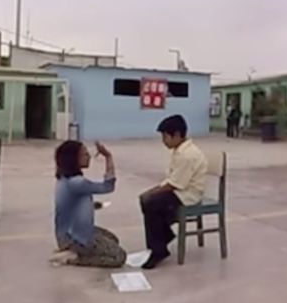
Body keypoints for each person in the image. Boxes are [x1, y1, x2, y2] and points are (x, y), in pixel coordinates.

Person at [138, 114, 208, 270]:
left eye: (165, 137)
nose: (163, 141)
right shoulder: (180, 150)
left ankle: (159, 249)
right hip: (180, 190)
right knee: (147, 200)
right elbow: (171, 179)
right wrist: (154, 190)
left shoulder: (187, 155)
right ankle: (162, 239)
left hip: (188, 194)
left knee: (151, 202)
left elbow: (176, 184)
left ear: (176, 135)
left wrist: (153, 192)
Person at [49, 140, 126, 268]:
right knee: (119, 257)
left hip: (68, 233)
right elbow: (108, 187)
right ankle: (72, 258)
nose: (89, 156)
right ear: (73, 159)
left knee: (113, 239)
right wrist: (108, 157)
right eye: (84, 154)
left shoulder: (64, 179)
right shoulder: (77, 183)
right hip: (75, 237)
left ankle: (71, 250)